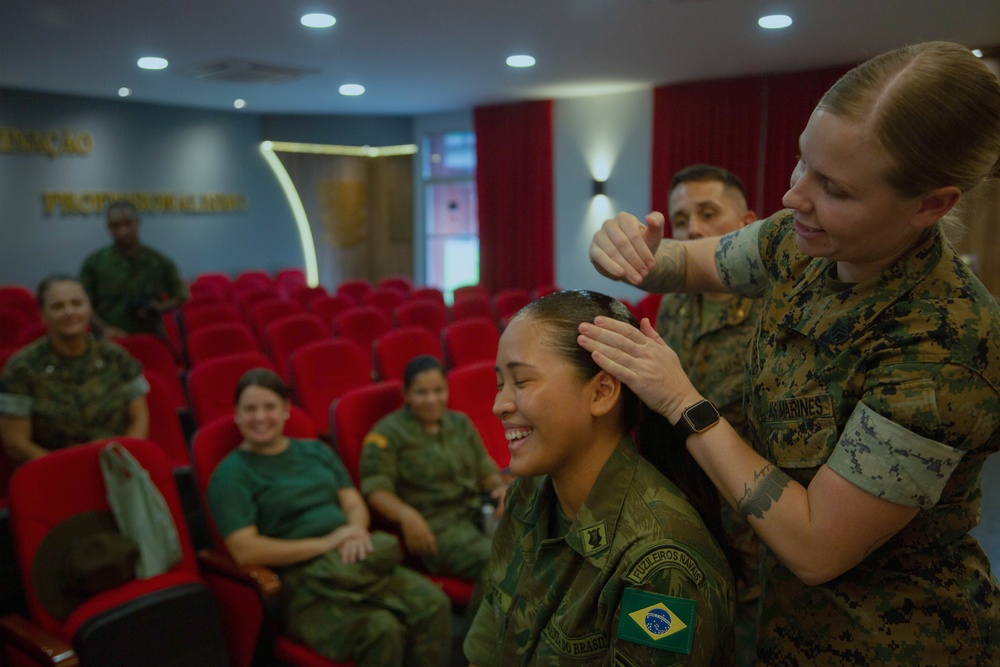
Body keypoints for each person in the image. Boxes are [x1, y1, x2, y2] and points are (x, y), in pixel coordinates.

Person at [582, 41, 1000, 664]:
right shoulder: (802, 239)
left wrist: (682, 400)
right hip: (785, 627)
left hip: (893, 640)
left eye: (834, 188)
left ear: (930, 204)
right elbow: (682, 263)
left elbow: (813, 546)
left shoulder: (943, 344)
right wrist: (622, 250)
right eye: (802, 163)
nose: (793, 198)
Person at [464, 290, 736, 666]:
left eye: (521, 382)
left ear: (602, 392)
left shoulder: (660, 563)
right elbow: (486, 644)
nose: (499, 405)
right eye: (499, 384)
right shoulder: (529, 491)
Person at [206, 368, 451, 667]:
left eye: (269, 407)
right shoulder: (231, 475)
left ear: (285, 410)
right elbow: (245, 550)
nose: (260, 417)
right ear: (237, 414)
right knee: (380, 629)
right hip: (303, 584)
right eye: (250, 409)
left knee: (434, 604)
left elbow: (353, 503)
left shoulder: (315, 452)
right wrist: (327, 543)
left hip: (354, 559)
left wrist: (354, 533)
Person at [654, 164, 761, 665]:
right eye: (680, 220)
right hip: (686, 515)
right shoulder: (674, 304)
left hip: (756, 525)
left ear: (748, 224)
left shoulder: (775, 311)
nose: (692, 230)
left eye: (708, 213)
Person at [359, 355, 508, 585]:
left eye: (439, 390)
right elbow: (376, 491)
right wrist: (406, 515)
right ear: (406, 394)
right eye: (421, 392)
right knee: (498, 561)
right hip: (436, 527)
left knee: (533, 540)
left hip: (477, 511)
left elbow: (485, 470)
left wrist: (499, 488)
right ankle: (487, 622)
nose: (432, 399)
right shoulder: (387, 434)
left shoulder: (459, 423)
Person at [0, 274, 150, 462]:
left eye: (77, 303)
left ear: (89, 308)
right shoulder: (22, 368)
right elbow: (16, 442)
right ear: (42, 314)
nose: (70, 312)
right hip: (54, 473)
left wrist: (124, 459)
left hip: (118, 468)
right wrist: (71, 472)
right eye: (58, 306)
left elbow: (139, 417)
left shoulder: (115, 357)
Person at [79, 200, 188, 338]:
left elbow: (181, 296)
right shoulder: (94, 263)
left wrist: (159, 308)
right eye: (116, 225)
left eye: (128, 223)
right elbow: (82, 304)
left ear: (137, 222)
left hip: (150, 336)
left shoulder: (159, 261)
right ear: (108, 228)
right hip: (109, 341)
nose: (123, 230)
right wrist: (105, 329)